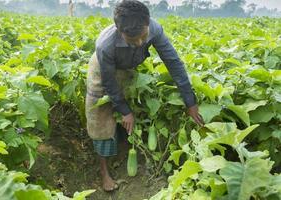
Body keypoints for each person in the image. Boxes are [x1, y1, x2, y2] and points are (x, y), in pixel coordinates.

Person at [85, 0, 204, 192]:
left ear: (148, 23)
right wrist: (124, 111)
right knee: (99, 116)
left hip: (128, 67)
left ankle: (124, 141)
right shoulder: (105, 46)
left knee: (133, 103)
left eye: (143, 37)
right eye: (133, 41)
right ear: (119, 30)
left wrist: (190, 101)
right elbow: (109, 83)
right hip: (102, 71)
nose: (141, 43)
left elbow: (173, 63)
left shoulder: (154, 29)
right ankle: (104, 172)